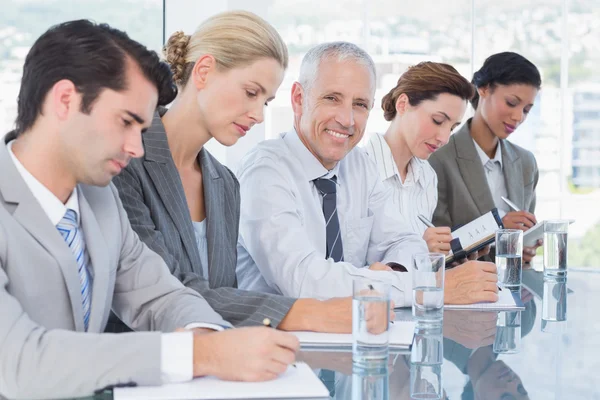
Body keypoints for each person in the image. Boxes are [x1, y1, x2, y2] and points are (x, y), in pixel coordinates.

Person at [0, 20, 298, 399]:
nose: (137, 149)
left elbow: (160, 295)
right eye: (126, 122)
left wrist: (209, 337)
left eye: (141, 129)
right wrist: (195, 354)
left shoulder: (100, 201)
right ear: (65, 101)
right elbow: (17, 363)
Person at [112, 11, 366, 333]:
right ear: (203, 71)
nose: (259, 115)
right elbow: (166, 291)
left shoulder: (224, 184)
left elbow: (223, 296)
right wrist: (304, 313)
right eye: (251, 92)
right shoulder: (125, 162)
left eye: (267, 101)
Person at [235, 41, 499, 307]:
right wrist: (424, 288)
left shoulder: (358, 165)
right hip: (280, 340)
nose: (347, 119)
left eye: (360, 104)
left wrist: (391, 275)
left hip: (352, 333)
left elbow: (404, 241)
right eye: (332, 98)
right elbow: (304, 280)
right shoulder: (265, 171)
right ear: (298, 99)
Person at [429, 52, 543, 264]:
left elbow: (521, 244)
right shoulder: (439, 159)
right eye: (511, 102)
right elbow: (436, 249)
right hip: (461, 288)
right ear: (483, 89)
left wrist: (525, 248)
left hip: (510, 288)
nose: (518, 117)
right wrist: (498, 228)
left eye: (526, 109)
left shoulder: (526, 163)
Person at [365, 61, 474, 254]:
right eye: (438, 120)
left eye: (452, 127)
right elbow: (348, 264)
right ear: (403, 104)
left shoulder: (427, 177)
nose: (444, 138)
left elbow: (421, 270)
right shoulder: (358, 172)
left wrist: (445, 258)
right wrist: (419, 249)